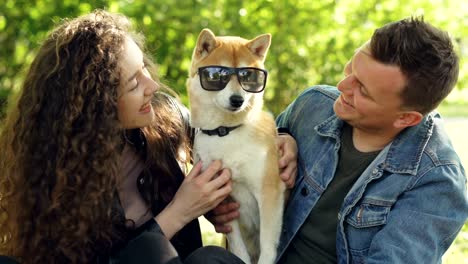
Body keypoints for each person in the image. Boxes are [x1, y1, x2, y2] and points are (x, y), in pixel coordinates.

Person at [0, 10, 298, 264]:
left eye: (143, 68)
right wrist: (180, 211)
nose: (152, 85)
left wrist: (283, 138)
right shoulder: (54, 179)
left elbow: (227, 135)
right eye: (133, 83)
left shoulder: (165, 118)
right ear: (97, 104)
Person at [209, 17, 468, 263]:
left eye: (363, 90)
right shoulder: (313, 105)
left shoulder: (437, 181)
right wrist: (281, 137)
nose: (343, 86)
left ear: (406, 119)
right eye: (351, 69)